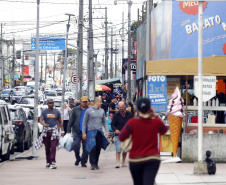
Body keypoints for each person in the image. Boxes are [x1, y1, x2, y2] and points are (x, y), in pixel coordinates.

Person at [119, 98, 168, 185]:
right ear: (150, 109)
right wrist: (155, 116)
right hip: (152, 158)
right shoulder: (156, 122)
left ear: (137, 109)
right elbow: (164, 130)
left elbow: (121, 137)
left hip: (135, 159)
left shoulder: (132, 123)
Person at [82, 97, 110, 170]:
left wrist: (107, 131)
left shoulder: (102, 111)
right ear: (96, 102)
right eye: (100, 102)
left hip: (99, 132)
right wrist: (84, 132)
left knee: (98, 149)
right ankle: (92, 163)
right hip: (91, 132)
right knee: (92, 148)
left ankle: (96, 163)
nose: (101, 103)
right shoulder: (89, 111)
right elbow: (84, 122)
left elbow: (105, 122)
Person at [37, 99, 64, 169]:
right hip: (46, 132)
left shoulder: (56, 112)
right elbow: (41, 120)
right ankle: (48, 162)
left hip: (54, 132)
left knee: (53, 147)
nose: (51, 104)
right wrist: (44, 124)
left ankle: (53, 162)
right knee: (47, 148)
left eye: (52, 103)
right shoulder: (44, 112)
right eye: (50, 103)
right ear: (47, 104)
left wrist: (62, 131)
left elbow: (60, 121)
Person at [67, 96, 89, 167]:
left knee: (86, 148)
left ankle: (83, 162)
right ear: (81, 101)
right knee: (76, 146)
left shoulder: (89, 110)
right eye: (83, 101)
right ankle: (78, 158)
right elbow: (71, 120)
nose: (84, 103)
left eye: (86, 101)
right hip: (77, 131)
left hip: (86, 132)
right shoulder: (76, 109)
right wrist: (68, 129)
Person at [111, 101, 133, 168]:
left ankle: (123, 162)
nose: (121, 108)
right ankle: (118, 163)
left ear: (125, 107)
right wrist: (115, 130)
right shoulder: (116, 115)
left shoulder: (129, 114)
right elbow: (112, 124)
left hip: (127, 135)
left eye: (122, 107)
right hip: (118, 135)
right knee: (118, 148)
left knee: (125, 149)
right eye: (119, 107)